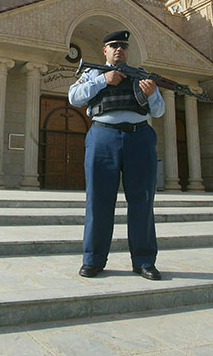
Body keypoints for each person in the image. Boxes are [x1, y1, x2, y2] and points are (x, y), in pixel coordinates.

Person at [68, 30, 165, 280]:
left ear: (128, 50)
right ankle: (93, 259)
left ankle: (144, 261)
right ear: (105, 51)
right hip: (103, 136)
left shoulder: (142, 76)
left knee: (142, 201)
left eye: (123, 46)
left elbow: (159, 110)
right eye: (113, 45)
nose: (118, 49)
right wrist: (104, 80)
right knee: (99, 201)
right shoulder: (93, 73)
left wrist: (152, 93)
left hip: (139, 137)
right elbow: (74, 97)